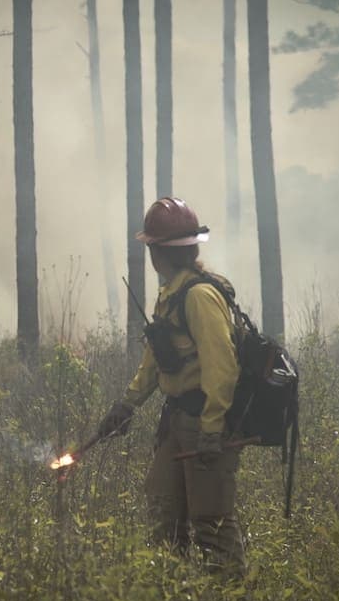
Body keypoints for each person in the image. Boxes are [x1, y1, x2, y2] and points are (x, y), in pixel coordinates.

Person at [97, 197, 245, 572]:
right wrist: (127, 405)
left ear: (158, 253)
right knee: (164, 523)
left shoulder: (198, 296)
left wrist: (212, 429)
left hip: (204, 424)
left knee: (211, 527)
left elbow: (221, 366)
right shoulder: (172, 295)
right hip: (176, 421)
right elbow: (155, 361)